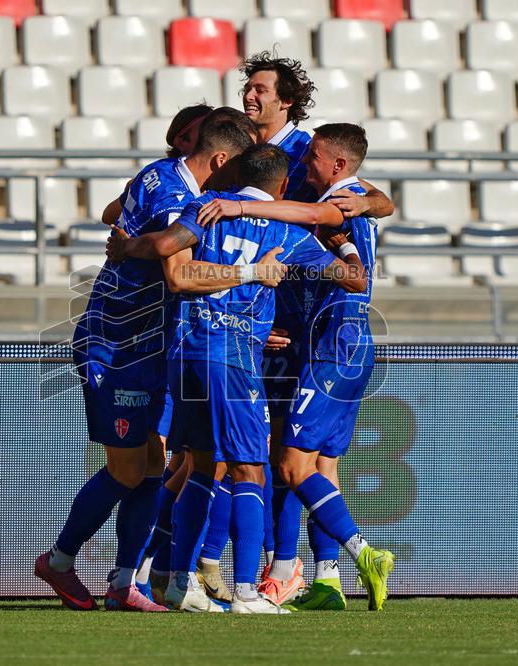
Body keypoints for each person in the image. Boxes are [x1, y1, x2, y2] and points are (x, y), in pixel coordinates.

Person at [110, 143, 366, 614]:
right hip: (232, 359)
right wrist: (341, 242)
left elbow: (178, 270)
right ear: (284, 186)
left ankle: (177, 580)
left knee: (197, 465)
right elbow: (355, 279)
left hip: (184, 353)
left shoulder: (202, 211)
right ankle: (247, 592)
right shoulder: (288, 230)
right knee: (250, 467)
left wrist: (131, 246)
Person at [34, 113, 273, 612]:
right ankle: (58, 561)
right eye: (242, 164)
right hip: (117, 345)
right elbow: (179, 273)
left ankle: (125, 584)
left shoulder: (159, 175)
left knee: (150, 467)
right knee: (126, 469)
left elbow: (117, 215)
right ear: (222, 160)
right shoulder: (176, 196)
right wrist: (252, 273)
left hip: (152, 346)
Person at [196, 124, 394, 612]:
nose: (307, 166)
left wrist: (241, 206)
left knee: (287, 464)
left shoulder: (343, 196)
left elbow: (314, 215)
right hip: (327, 345)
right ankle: (311, 577)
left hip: (336, 346)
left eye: (315, 160)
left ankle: (360, 554)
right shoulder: (347, 197)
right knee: (312, 462)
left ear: (339, 166)